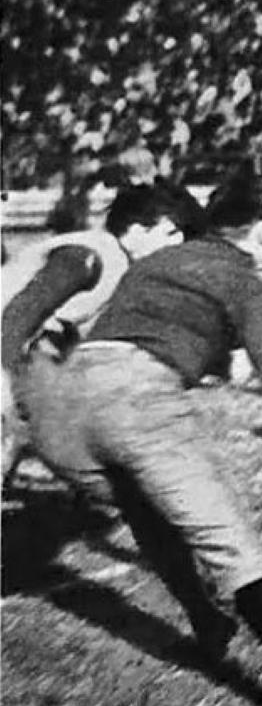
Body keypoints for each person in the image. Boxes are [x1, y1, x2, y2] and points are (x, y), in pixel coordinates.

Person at [19, 171, 262, 706]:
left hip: (61, 411)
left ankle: (209, 625)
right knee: (233, 544)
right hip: (135, 402)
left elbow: (140, 325)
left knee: (148, 510)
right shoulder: (245, 283)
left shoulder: (154, 262)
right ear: (259, 232)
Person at [2, 183, 191, 488]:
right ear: (134, 231)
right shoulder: (87, 258)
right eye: (169, 233)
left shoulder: (118, 262)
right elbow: (17, 317)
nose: (178, 242)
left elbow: (56, 327)